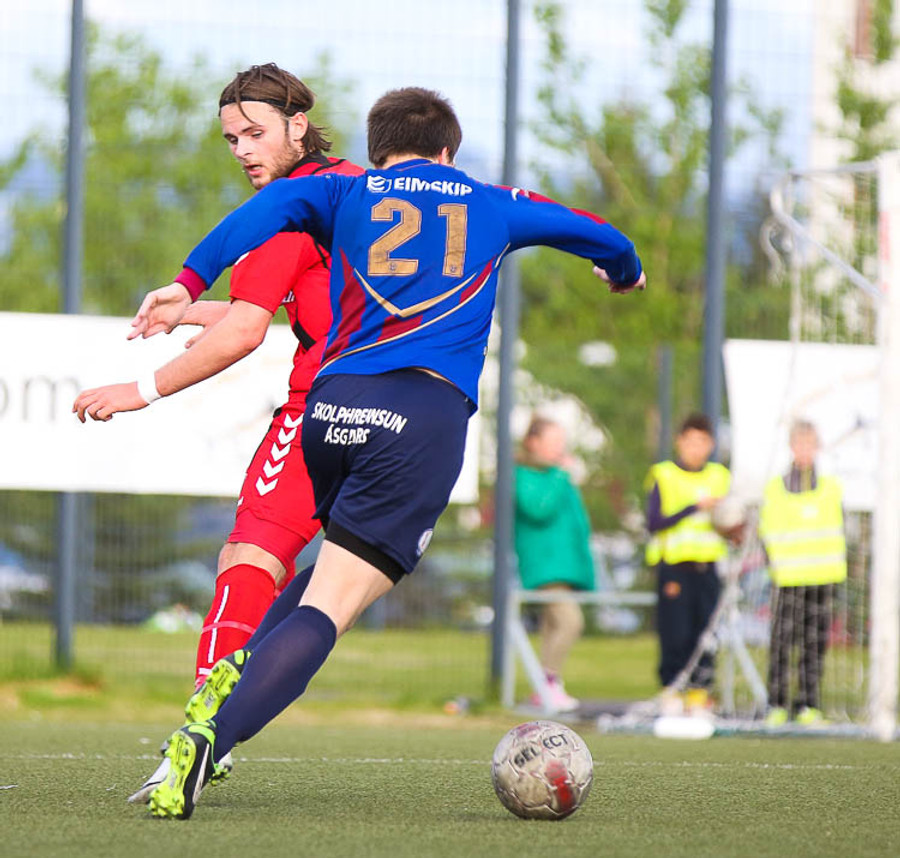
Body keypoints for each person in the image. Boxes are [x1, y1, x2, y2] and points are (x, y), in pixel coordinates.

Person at [90, 86, 644, 820]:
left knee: (329, 573)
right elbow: (597, 232)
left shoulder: (341, 192)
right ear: (447, 150)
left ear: (378, 150)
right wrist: (624, 270)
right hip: (419, 416)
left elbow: (258, 215)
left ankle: (242, 667)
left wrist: (188, 280)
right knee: (335, 603)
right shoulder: (492, 202)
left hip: (330, 409)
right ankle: (210, 738)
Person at [72, 63, 363, 796]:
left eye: (254, 133)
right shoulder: (363, 189)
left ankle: (205, 733)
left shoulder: (288, 208)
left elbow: (244, 332)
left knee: (250, 558)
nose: (242, 149)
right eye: (232, 138)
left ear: (299, 125)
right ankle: (228, 716)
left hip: (321, 410)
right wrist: (188, 312)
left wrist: (139, 390)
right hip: (409, 417)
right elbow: (291, 303)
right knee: (344, 579)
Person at [758, 419, 846, 727]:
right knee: (782, 644)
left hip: (822, 577)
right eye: (800, 444)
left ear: (817, 447)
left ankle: (808, 704)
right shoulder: (775, 488)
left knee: (814, 644)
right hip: (787, 578)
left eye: (810, 444)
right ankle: (777, 704)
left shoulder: (831, 487)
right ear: (791, 447)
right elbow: (766, 531)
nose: (805, 450)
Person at [644, 412, 730, 713]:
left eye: (702, 442)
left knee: (705, 634)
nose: (696, 448)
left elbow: (730, 523)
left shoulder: (720, 477)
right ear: (680, 442)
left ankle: (699, 693)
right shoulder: (664, 475)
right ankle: (672, 690)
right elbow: (654, 522)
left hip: (708, 568)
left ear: (711, 444)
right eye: (690, 441)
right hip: (676, 568)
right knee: (675, 633)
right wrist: (694, 507)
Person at [514, 415, 594, 713]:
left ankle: (545, 689)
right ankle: (547, 683)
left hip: (565, 566)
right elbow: (538, 509)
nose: (560, 448)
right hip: (545, 566)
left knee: (552, 626)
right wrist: (561, 475)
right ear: (533, 442)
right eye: (554, 442)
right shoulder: (524, 474)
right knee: (571, 621)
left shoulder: (557, 476)